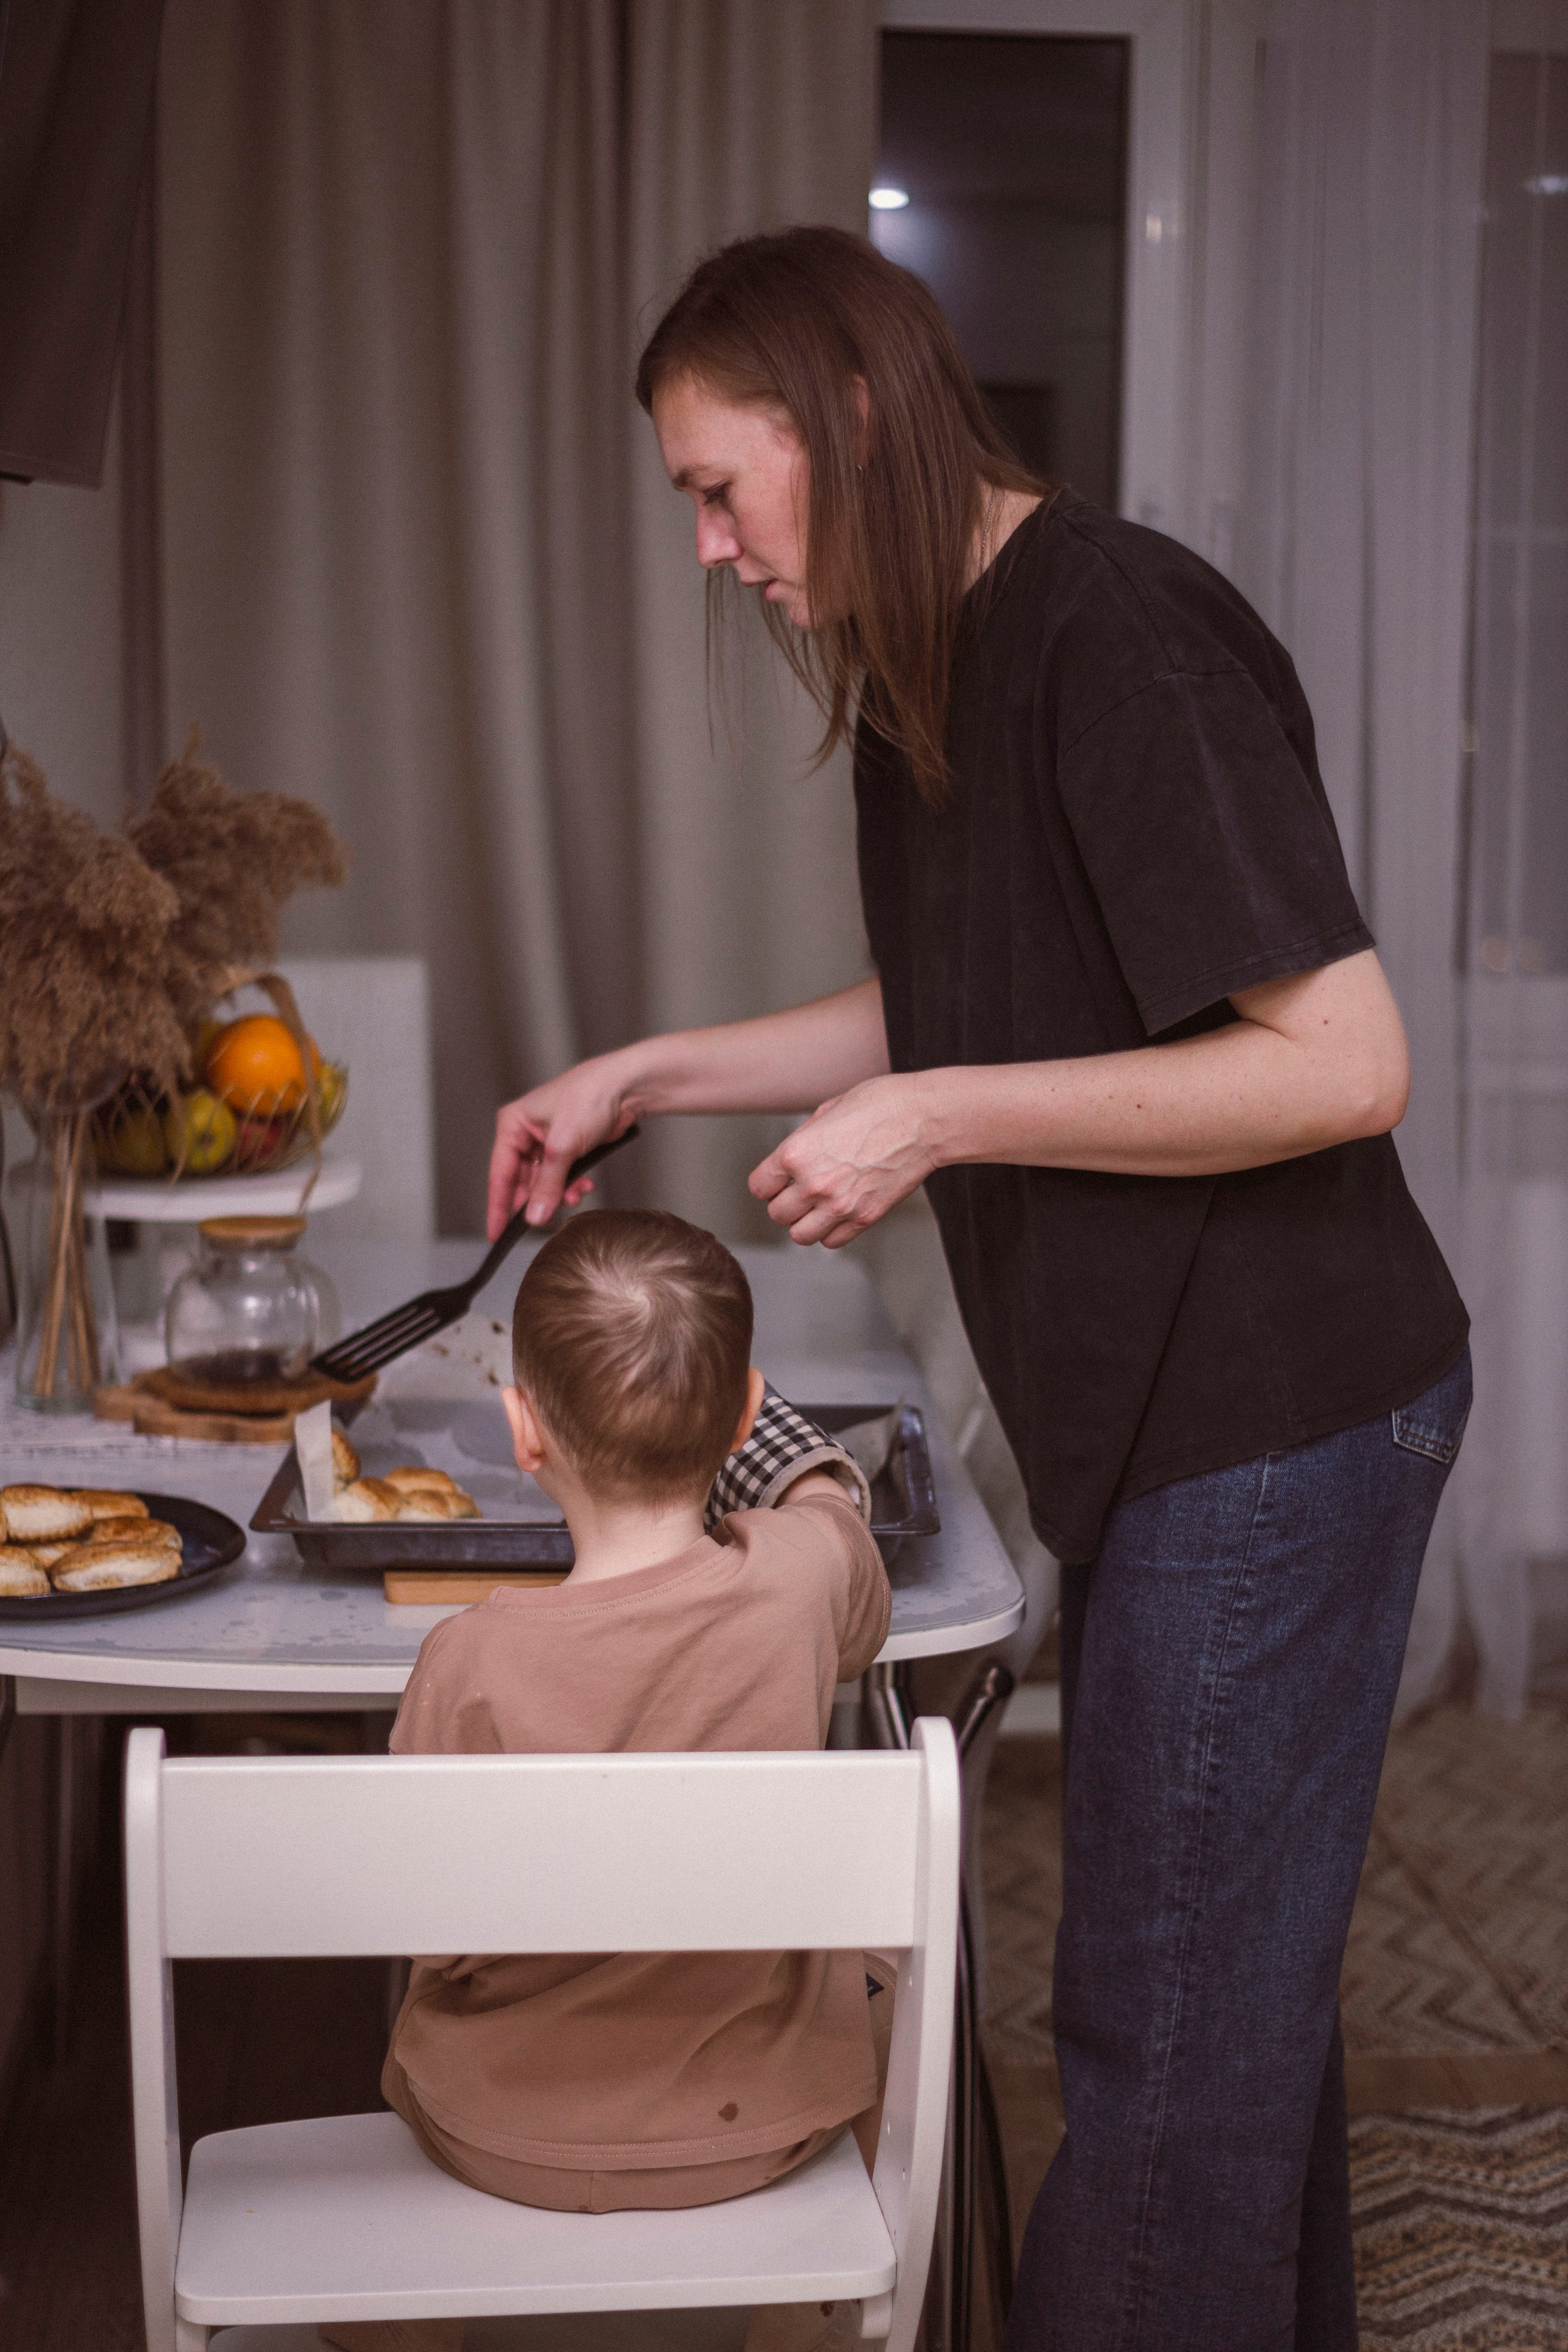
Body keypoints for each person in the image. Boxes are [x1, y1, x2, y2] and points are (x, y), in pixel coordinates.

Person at [488, 227, 1472, 2350]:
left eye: (712, 489)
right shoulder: (944, 651)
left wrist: (934, 1122)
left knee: (1158, 2043)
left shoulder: (1111, 625)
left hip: (1283, 1410)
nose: (707, 549)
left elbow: (1340, 1061)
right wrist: (651, 1068)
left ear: (844, 418)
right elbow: (957, 999)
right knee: (1227, 2029)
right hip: (1185, 1415)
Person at [323, 1207, 892, 2352]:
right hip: (757, 2127)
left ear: (522, 1431)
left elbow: (431, 1938)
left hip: (495, 2127)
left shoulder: (470, 1660)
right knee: (876, 1971)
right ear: (739, 1417)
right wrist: (799, 1459)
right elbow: (841, 1532)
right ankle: (800, 2323)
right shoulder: (795, 1586)